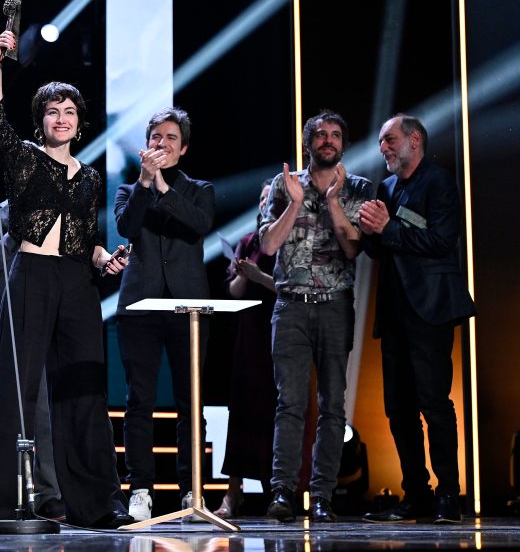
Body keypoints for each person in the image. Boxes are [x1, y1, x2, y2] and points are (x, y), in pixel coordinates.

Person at [0, 29, 131, 529]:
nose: (61, 118)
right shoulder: (24, 157)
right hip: (32, 276)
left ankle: (97, 503)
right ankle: (3, 505)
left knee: (85, 389)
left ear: (80, 123)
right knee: (14, 389)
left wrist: (104, 258)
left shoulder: (90, 176)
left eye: (69, 112)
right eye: (52, 111)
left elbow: (84, 236)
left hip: (76, 282)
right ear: (41, 120)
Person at [359, 115, 476, 524]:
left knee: (434, 403)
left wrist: (388, 228)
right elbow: (380, 249)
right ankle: (416, 495)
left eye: (389, 140)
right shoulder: (386, 188)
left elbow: (441, 241)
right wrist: (369, 231)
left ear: (414, 140)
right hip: (394, 311)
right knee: (398, 409)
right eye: (381, 142)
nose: (383, 148)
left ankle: (449, 495)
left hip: (430, 310)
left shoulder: (438, 182)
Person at [259, 110, 372, 523]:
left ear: (343, 144)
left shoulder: (358, 187)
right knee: (289, 403)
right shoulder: (282, 185)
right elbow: (268, 246)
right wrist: (294, 203)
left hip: (335, 306)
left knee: (332, 406)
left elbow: (353, 249)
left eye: (335, 135)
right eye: (321, 134)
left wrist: (334, 202)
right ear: (308, 143)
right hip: (290, 306)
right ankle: (283, 492)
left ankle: (323, 495)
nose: (328, 140)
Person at [113, 107, 215, 521]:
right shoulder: (128, 189)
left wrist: (162, 186)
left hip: (188, 308)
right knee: (139, 400)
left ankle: (192, 489)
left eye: (171, 138)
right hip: (140, 306)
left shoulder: (199, 189)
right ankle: (140, 488)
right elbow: (126, 227)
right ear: (146, 145)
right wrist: (145, 183)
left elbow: (198, 224)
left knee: (191, 402)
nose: (163, 143)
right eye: (156, 137)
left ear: (183, 147)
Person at [0, 201, 63, 520]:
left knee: (43, 419)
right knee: (1, 421)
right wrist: (13, 236)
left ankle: (49, 494)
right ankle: (6, 496)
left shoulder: (51, 214)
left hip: (39, 327)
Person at [213, 179, 277, 519]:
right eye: (262, 198)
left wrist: (259, 276)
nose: (265, 203)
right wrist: (243, 274)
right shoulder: (248, 241)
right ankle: (233, 492)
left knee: (275, 410)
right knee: (241, 409)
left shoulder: (288, 240)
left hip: (279, 329)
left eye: (272, 198)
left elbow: (290, 288)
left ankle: (276, 490)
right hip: (249, 332)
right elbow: (235, 292)